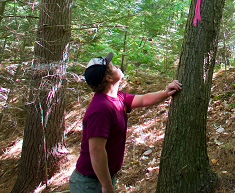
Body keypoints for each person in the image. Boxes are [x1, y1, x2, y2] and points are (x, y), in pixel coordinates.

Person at [69, 52, 182, 193]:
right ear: (109, 78)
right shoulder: (100, 109)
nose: (117, 66)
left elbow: (143, 99)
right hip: (89, 183)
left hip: (102, 178)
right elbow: (96, 151)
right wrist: (106, 185)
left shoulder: (118, 97)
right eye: (112, 66)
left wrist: (166, 93)